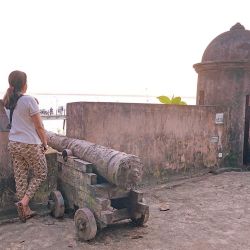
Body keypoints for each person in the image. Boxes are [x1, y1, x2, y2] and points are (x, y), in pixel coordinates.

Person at [3, 70, 48, 222]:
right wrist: (45, 143)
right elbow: (39, 126)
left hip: (14, 143)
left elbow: (19, 109)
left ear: (10, 84)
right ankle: (24, 202)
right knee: (41, 173)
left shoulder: (8, 102)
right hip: (29, 144)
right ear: (25, 84)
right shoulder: (29, 100)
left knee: (20, 177)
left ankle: (24, 211)